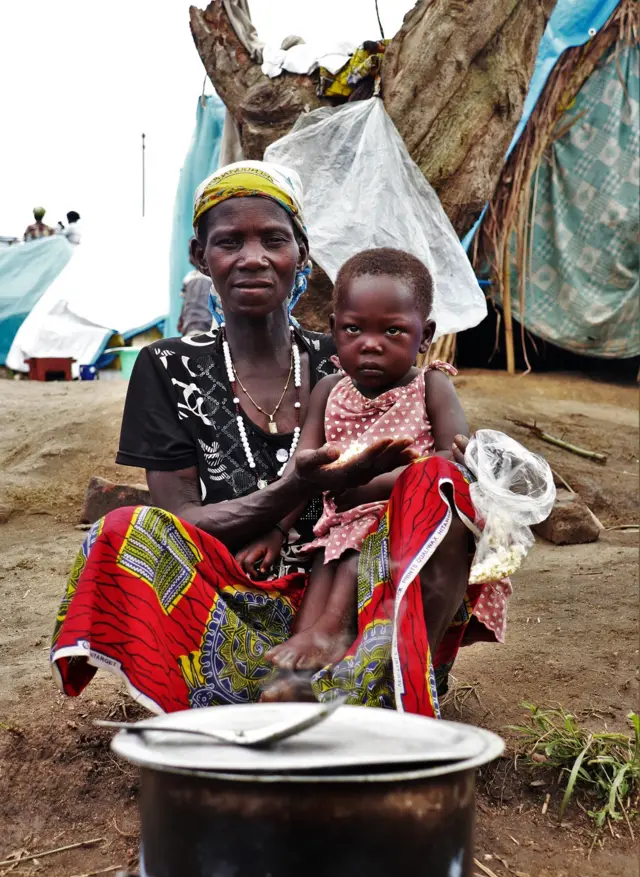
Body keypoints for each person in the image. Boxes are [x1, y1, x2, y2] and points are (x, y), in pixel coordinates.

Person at [50, 160, 508, 719]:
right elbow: (183, 518)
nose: (252, 258)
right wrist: (293, 491)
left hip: (367, 593)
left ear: (302, 255)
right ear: (201, 258)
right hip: (234, 600)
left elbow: (434, 450)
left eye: (273, 239)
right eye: (229, 242)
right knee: (123, 532)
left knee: (443, 482)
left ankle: (389, 674)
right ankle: (249, 689)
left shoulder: (349, 356)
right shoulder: (166, 367)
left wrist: (465, 465)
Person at [236, 247, 492, 676]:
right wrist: (277, 529)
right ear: (334, 330)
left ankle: (335, 637)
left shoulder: (431, 387)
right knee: (322, 578)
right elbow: (304, 471)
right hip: (339, 525)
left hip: (407, 522)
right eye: (354, 329)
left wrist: (378, 484)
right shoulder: (328, 391)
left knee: (356, 556)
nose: (370, 344)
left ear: (424, 336)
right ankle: (304, 668)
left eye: (392, 331)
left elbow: (451, 458)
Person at [178, 252, 214, 335]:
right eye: (191, 253)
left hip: (206, 325)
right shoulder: (188, 277)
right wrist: (181, 320)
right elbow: (185, 302)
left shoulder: (211, 277)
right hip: (189, 326)